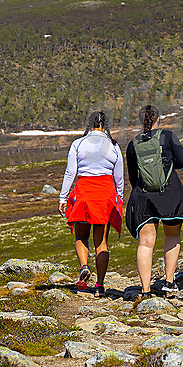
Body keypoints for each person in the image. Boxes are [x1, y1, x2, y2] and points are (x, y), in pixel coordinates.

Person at [125, 105, 183, 300]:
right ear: (158, 120)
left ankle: (145, 290)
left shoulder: (133, 144)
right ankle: (169, 282)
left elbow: (132, 176)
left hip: (143, 196)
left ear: (140, 121)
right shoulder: (168, 136)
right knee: (172, 236)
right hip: (170, 193)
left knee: (145, 244)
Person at [59, 111, 124, 297]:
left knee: (81, 236)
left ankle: (84, 266)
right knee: (101, 243)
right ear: (105, 125)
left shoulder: (78, 144)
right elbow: (119, 178)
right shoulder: (113, 145)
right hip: (104, 194)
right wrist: (119, 199)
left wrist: (63, 198)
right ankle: (100, 286)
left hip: (83, 192)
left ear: (90, 124)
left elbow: (70, 173)